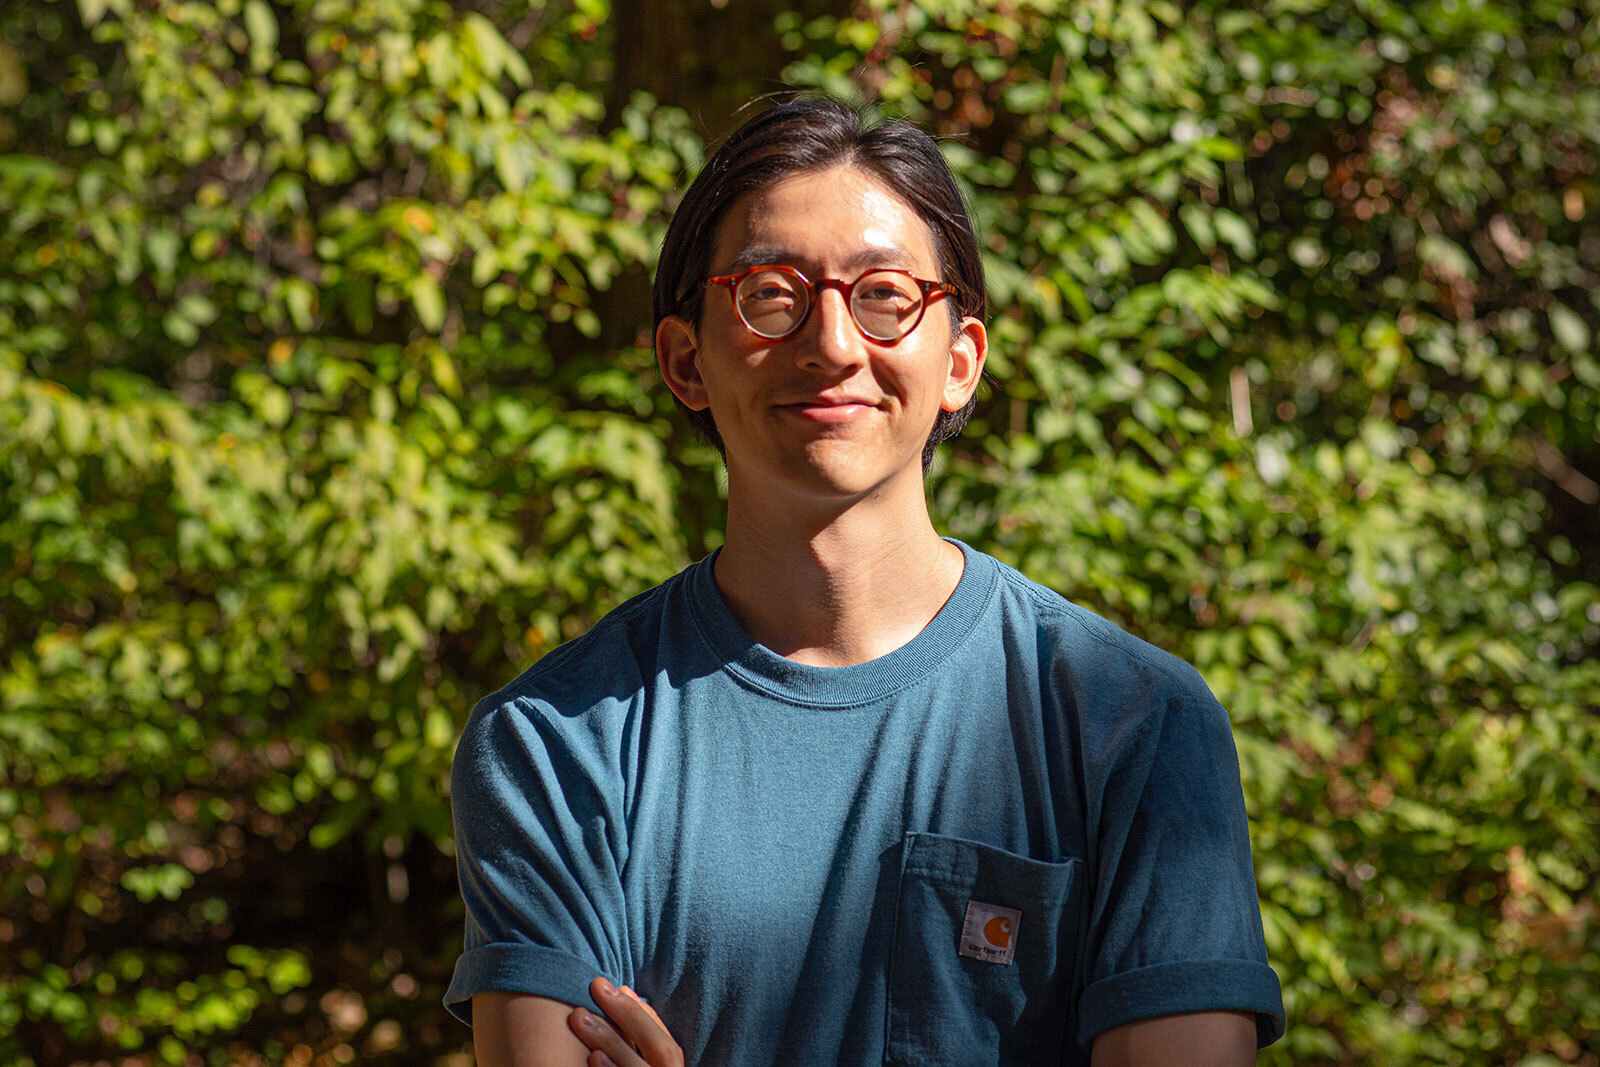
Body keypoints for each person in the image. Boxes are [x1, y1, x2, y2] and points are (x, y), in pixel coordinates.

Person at [444, 95, 1286, 1066]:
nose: (834, 343)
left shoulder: (1133, 724)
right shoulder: (553, 744)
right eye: (771, 291)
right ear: (685, 359)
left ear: (961, 358)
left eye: (885, 293)